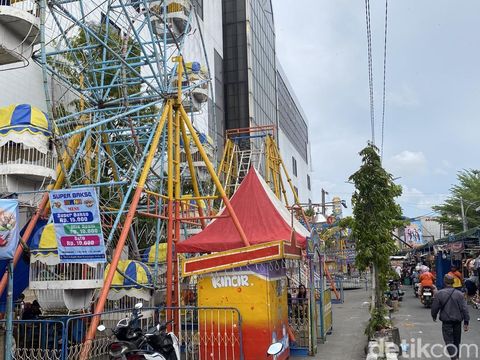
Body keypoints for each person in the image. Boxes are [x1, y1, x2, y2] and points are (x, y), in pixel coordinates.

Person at [431, 274, 470, 360]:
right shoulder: (459, 294)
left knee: (449, 341)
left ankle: (454, 357)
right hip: (457, 322)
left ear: (445, 282)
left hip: (446, 322)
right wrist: (466, 322)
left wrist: (434, 316)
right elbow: (465, 309)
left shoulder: (439, 294)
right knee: (456, 342)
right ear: (453, 282)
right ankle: (456, 357)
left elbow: (434, 307)